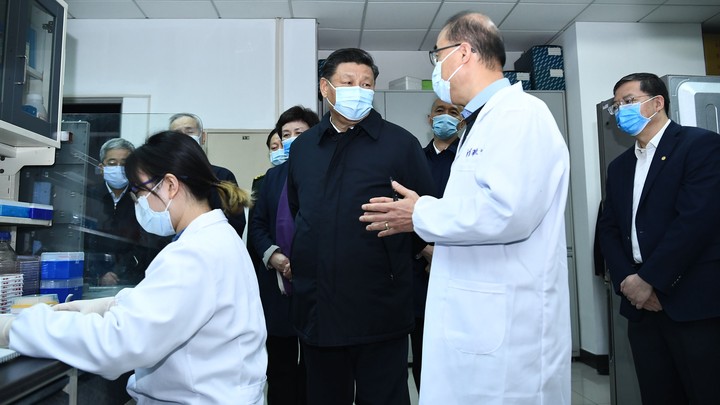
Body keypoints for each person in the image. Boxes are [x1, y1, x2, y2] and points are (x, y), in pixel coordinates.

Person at [359, 11, 571, 404]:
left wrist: (419, 214)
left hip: (508, 334)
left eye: (436, 56)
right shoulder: (485, 122)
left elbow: (509, 213)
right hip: (479, 319)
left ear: (463, 52)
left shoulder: (521, 116)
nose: (437, 68)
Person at [0, 131, 267, 404]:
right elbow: (178, 305)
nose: (138, 202)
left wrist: (13, 328)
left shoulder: (193, 253)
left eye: (139, 192)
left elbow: (116, 345)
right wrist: (110, 304)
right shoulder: (218, 237)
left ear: (170, 186)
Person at [286, 48, 435, 405]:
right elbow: (298, 210)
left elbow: (427, 214)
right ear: (325, 87)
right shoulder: (304, 148)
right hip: (318, 309)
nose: (359, 90)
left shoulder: (400, 144)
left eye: (366, 84)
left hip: (380, 310)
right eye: (348, 82)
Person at [598, 73, 720, 404]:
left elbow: (696, 221)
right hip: (641, 307)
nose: (620, 109)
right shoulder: (620, 166)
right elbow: (608, 228)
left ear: (657, 103)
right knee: (657, 394)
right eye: (616, 104)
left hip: (691, 300)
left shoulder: (700, 146)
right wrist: (629, 281)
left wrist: (650, 280)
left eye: (628, 101)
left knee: (705, 391)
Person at [250, 106, 319, 405]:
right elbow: (258, 225)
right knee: (280, 367)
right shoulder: (271, 178)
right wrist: (275, 256)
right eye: (285, 135)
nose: (291, 140)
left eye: (299, 134)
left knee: (318, 367)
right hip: (277, 285)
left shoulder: (325, 172)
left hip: (320, 287)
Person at [409, 98, 465, 392]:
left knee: (459, 350)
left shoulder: (469, 159)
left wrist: (445, 252)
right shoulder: (412, 159)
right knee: (423, 349)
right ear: (429, 119)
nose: (446, 117)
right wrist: (424, 249)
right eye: (440, 112)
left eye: (453, 112)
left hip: (462, 266)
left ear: (462, 120)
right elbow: (401, 210)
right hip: (420, 269)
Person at [85, 138, 167, 287]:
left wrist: (120, 271)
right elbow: (83, 240)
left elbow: (148, 242)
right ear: (101, 167)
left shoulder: (144, 197)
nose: (118, 168)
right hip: (93, 279)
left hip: (135, 279)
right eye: (112, 163)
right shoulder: (88, 196)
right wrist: (100, 274)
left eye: (124, 163)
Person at [169, 112, 247, 237]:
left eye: (189, 131)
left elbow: (235, 223)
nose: (184, 137)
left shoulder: (222, 176)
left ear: (203, 136)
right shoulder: (164, 179)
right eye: (178, 134)